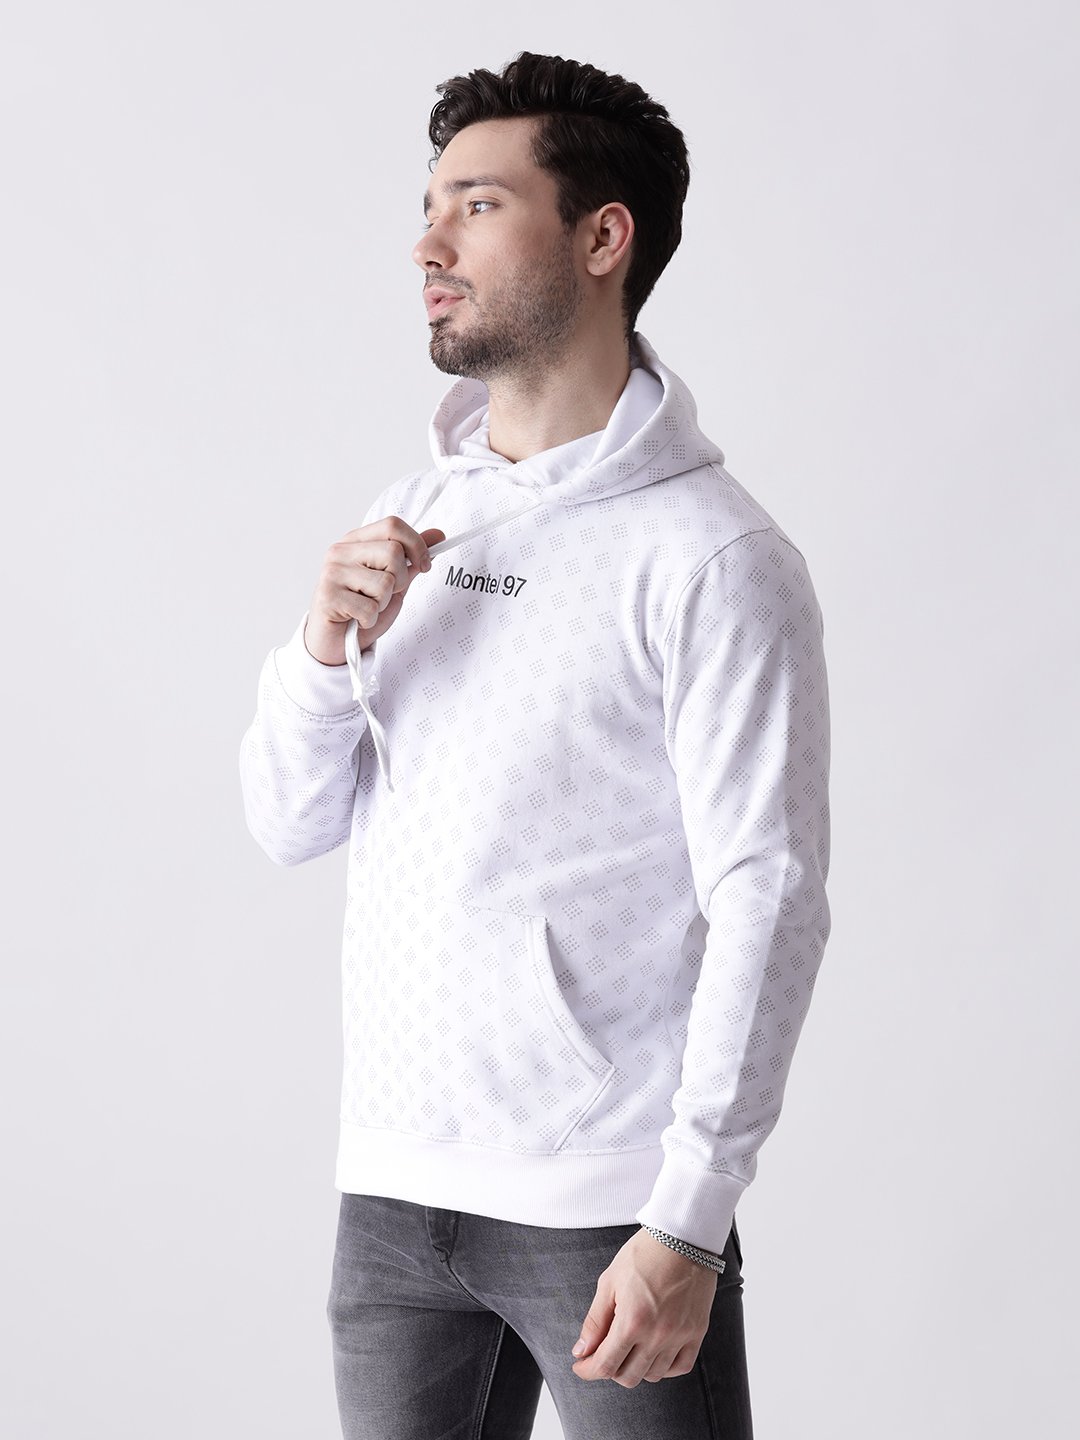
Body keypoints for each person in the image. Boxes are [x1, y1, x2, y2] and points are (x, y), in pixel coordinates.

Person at [238, 49, 832, 1440]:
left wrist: (688, 1219)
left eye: (478, 205)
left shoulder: (714, 557)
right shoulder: (415, 515)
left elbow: (771, 894)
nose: (427, 245)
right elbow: (286, 821)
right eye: (429, 205)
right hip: (391, 1197)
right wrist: (320, 655)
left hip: (607, 1214)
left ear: (602, 238)